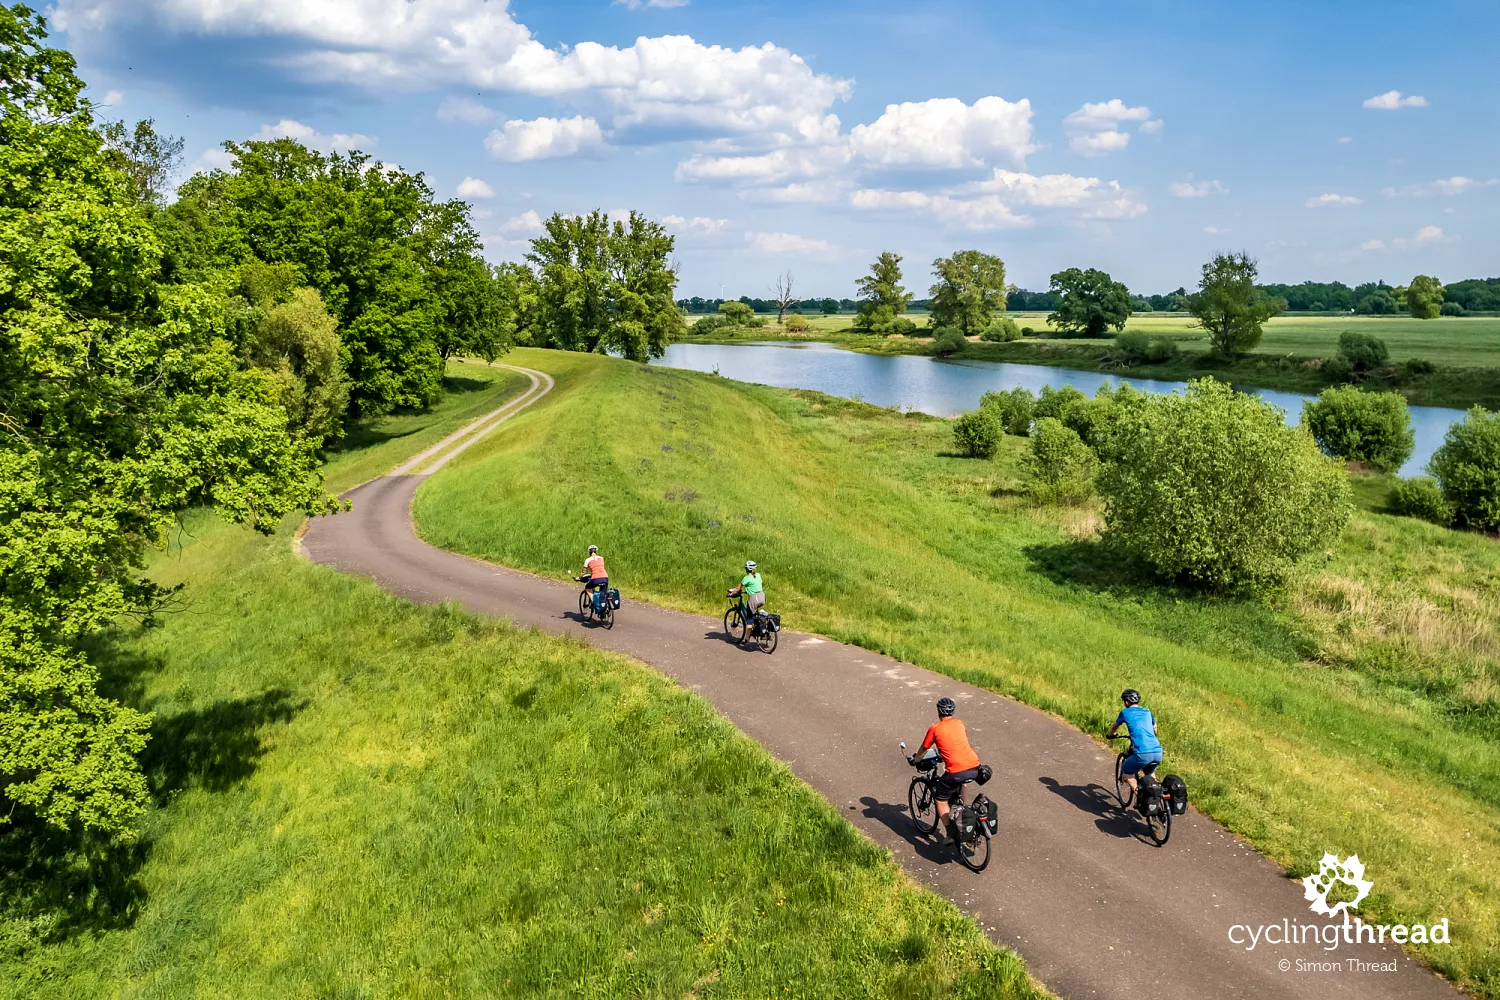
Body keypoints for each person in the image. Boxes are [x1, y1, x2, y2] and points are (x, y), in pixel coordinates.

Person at [915, 696, 982, 846]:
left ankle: (950, 833)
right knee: (962, 782)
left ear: (938, 711)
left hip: (956, 771)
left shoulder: (935, 728)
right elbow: (955, 742)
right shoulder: (960, 723)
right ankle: (964, 807)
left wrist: (917, 760)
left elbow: (924, 749)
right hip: (974, 766)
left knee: (940, 798)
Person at [1105, 688, 1163, 802]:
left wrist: (1110, 735)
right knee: (1150, 773)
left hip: (1143, 753)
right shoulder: (1147, 711)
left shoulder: (1125, 712)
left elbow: (1115, 726)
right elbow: (1155, 727)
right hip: (1157, 751)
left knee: (1127, 770)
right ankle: (1157, 800)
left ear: (1126, 702)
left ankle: (1141, 797)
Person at [727, 560, 764, 634]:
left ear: (746, 569)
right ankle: (757, 625)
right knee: (752, 611)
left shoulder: (746, 578)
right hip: (762, 597)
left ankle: (747, 638)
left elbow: (737, 589)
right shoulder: (758, 575)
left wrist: (731, 594)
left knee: (749, 619)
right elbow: (756, 585)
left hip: (754, 599)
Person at [577, 544, 608, 613]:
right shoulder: (601, 558)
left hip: (595, 578)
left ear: (589, 552)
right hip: (605, 577)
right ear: (596, 551)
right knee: (603, 593)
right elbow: (599, 568)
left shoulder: (587, 560)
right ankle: (604, 609)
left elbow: (583, 572)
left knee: (587, 587)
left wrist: (579, 578)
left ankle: (595, 603)